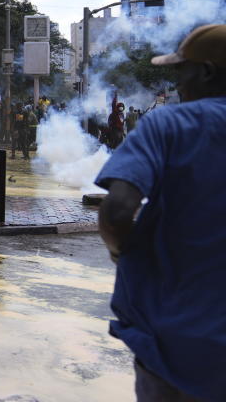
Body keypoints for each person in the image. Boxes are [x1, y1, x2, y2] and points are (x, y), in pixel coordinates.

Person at [96, 24, 226, 401]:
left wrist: (123, 255)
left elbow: (117, 213)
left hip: (177, 346)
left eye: (180, 71)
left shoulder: (169, 123)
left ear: (207, 72)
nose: (176, 84)